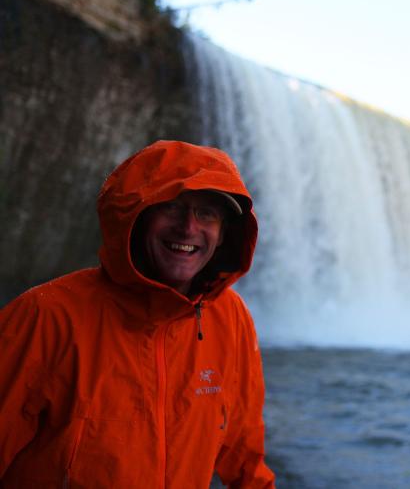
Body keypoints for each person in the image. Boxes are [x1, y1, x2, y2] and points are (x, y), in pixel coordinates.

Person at [0, 140, 275, 488]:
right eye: (171, 207)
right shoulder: (45, 316)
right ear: (136, 218)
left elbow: (246, 456)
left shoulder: (231, 317)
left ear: (222, 235)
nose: (188, 228)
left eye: (206, 213)